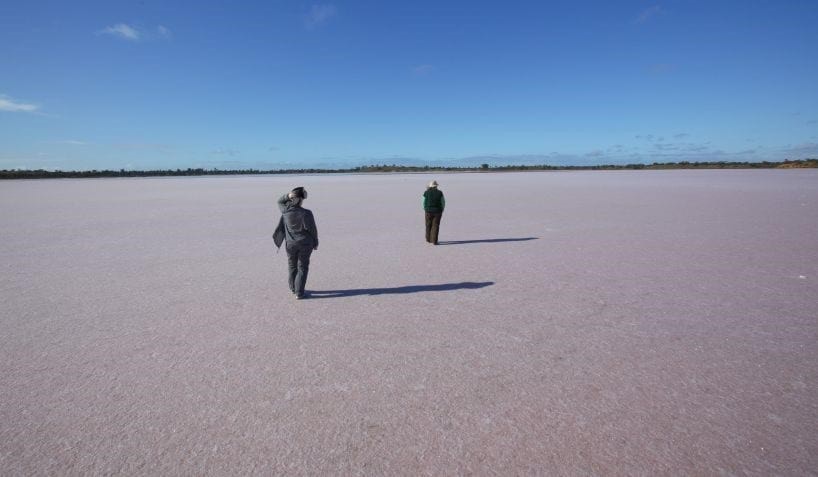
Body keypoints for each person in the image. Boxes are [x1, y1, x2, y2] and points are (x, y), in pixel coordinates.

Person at [273, 187, 319, 299]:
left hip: (290, 244)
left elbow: (279, 201)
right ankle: (299, 292)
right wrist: (316, 241)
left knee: (292, 266)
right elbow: (312, 229)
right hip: (305, 243)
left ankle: (294, 288)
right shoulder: (306, 213)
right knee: (302, 267)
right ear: (300, 199)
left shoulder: (285, 210)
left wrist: (288, 195)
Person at [422, 180, 445, 245]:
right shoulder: (440, 192)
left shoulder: (426, 192)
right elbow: (443, 202)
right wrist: (442, 209)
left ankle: (428, 239)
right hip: (438, 211)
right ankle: (434, 241)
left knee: (428, 225)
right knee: (436, 226)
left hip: (428, 211)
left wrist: (425, 208)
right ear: (436, 186)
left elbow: (423, 202)